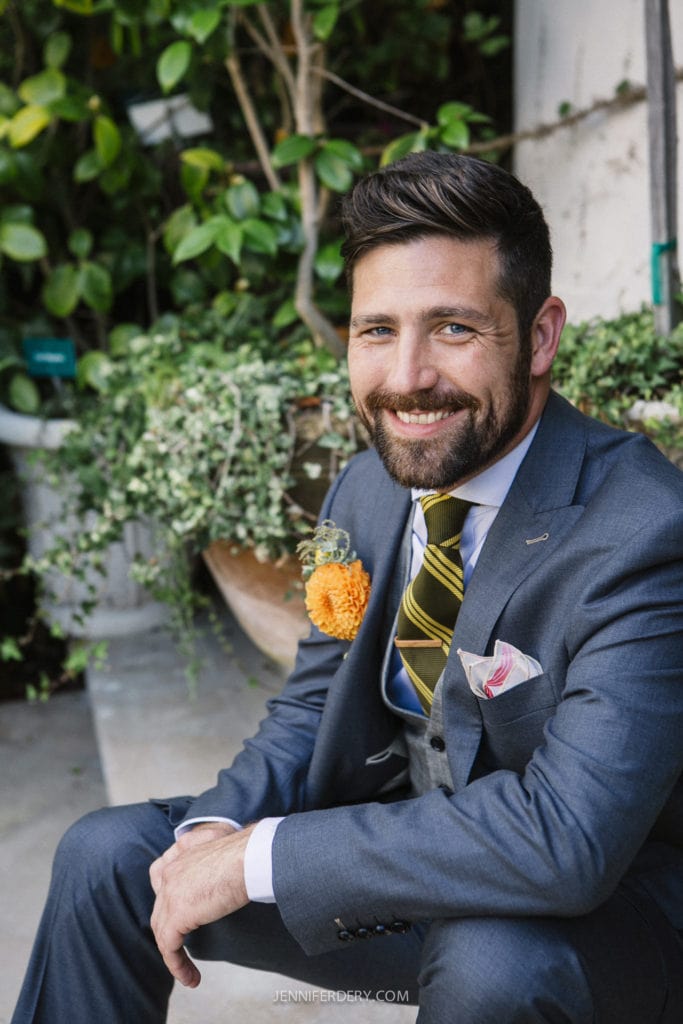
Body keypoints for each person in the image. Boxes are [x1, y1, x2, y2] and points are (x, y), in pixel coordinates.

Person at [13, 152, 683, 1024]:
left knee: (491, 962)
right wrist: (217, 834)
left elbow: (567, 840)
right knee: (110, 856)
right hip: (406, 886)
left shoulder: (642, 530)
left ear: (541, 334)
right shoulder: (366, 488)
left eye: (453, 328)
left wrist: (264, 858)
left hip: (600, 914)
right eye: (376, 331)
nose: (405, 378)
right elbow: (315, 702)